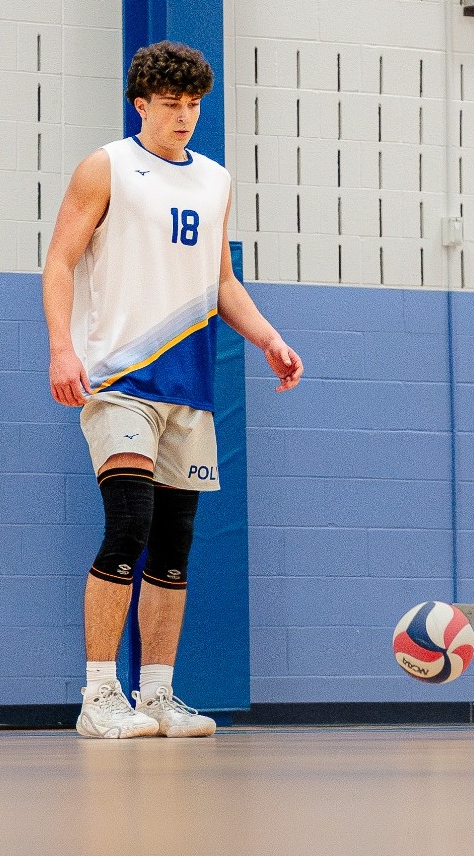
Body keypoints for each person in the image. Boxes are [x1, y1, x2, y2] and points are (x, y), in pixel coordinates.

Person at [41, 41, 304, 739]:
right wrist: (62, 348)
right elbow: (60, 261)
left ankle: (156, 694)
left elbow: (219, 280)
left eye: (193, 105)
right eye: (170, 105)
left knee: (174, 545)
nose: (184, 117)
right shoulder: (107, 168)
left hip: (188, 387)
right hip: (120, 378)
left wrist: (269, 337)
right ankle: (99, 695)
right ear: (141, 103)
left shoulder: (214, 180)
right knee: (127, 523)